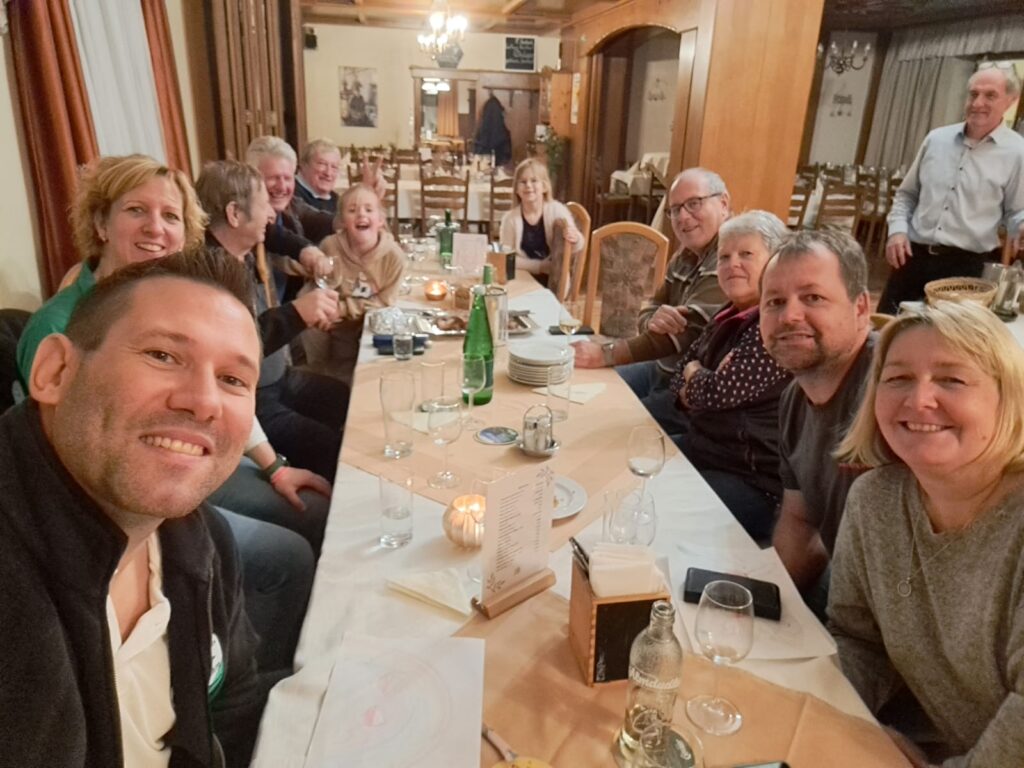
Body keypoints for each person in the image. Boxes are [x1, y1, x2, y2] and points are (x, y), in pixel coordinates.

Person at [11, 155, 318, 670]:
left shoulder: (186, 303)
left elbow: (217, 388)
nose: (156, 228)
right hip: (127, 488)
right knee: (285, 555)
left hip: (189, 454)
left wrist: (275, 466)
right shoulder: (62, 324)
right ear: (100, 223)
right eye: (137, 210)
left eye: (171, 216)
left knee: (314, 510)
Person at [1, 253, 268, 766]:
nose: (204, 402)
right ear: (55, 371)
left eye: (234, 380)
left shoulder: (203, 542)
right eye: (162, 355)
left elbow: (233, 701)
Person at [831, 300, 1024, 766]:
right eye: (897, 378)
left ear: (1009, 396)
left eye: (951, 379)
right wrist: (836, 718)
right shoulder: (874, 501)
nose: (919, 400)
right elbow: (857, 639)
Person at [196, 160, 348, 483]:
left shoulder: (238, 247)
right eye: (264, 204)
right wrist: (297, 314)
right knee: (329, 445)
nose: (270, 214)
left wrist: (305, 251)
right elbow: (237, 348)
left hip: (278, 378)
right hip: (255, 400)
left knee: (344, 397)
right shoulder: (211, 276)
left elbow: (279, 236)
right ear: (234, 214)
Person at [759, 229, 873, 615]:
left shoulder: (894, 387)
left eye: (813, 298)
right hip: (853, 596)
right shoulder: (794, 399)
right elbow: (799, 521)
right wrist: (769, 606)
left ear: (861, 308)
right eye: (775, 302)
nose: (790, 316)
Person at [574, 168, 730, 438]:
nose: (683, 216)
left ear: (724, 203)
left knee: (604, 429)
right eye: (675, 209)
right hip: (658, 369)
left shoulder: (727, 258)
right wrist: (653, 319)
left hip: (684, 391)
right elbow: (649, 309)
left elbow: (680, 336)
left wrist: (605, 353)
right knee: (586, 394)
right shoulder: (686, 254)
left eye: (694, 203)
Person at [668, 211, 792, 542]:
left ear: (776, 261)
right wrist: (698, 375)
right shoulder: (728, 313)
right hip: (707, 449)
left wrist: (697, 376)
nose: (732, 264)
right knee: (633, 465)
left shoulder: (774, 327)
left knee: (660, 505)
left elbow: (714, 394)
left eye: (746, 254)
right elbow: (679, 376)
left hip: (751, 480)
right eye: (724, 257)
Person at [879, 66, 1024, 313]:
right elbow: (907, 194)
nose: (977, 103)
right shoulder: (936, 140)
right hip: (913, 258)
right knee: (887, 328)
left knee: (944, 338)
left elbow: (1017, 212)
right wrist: (897, 231)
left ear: (1011, 101)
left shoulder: (1017, 152)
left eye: (990, 95)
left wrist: (1021, 226)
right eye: (973, 94)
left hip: (966, 270)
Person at [303, 183, 406, 380]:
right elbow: (318, 285)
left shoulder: (394, 257)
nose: (361, 214)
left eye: (369, 209)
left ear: (380, 220)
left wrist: (343, 309)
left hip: (366, 324)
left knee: (362, 373)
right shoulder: (330, 247)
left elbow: (385, 301)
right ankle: (319, 378)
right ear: (341, 221)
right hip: (332, 325)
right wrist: (324, 312)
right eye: (352, 210)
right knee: (322, 363)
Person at [499, 158, 583, 288]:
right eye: (523, 182)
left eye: (534, 180)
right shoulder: (510, 219)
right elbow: (505, 259)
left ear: (544, 186)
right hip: (522, 277)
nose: (528, 185)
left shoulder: (557, 210)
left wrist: (575, 238)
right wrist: (540, 267)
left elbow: (577, 246)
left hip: (553, 279)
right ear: (516, 189)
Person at [295, 138, 343, 214]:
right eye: (322, 164)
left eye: (334, 167)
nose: (328, 173)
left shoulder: (336, 200)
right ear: (304, 164)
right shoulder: (291, 194)